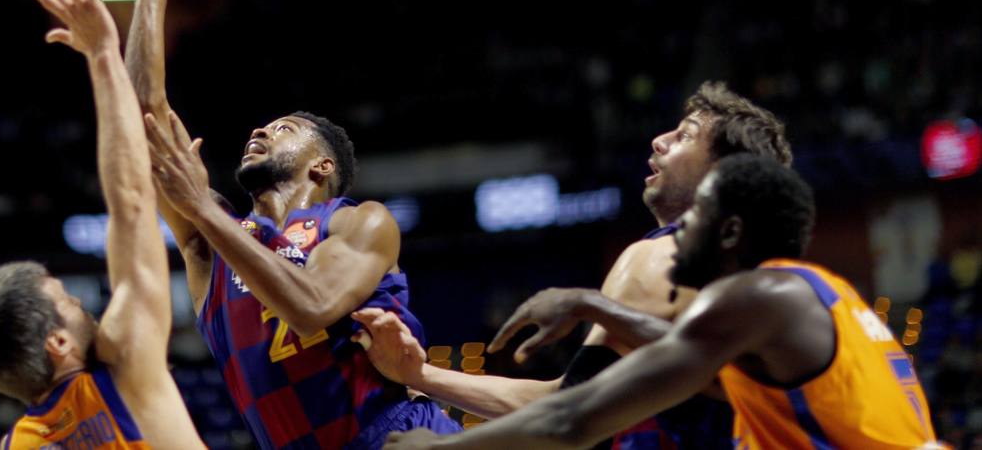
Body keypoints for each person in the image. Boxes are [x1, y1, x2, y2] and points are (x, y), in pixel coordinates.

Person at [120, 0, 462, 450]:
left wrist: (203, 211)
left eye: (285, 128)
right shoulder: (210, 249)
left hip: (399, 439)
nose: (261, 128)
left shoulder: (357, 221)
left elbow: (310, 308)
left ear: (322, 166)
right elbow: (140, 115)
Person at [381, 155, 940, 449]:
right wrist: (591, 304)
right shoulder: (820, 297)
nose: (674, 236)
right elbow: (685, 363)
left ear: (729, 233)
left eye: (692, 220)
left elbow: (574, 420)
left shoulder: (755, 297)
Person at [354, 83, 792, 448]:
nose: (659, 140)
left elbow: (569, 417)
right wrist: (422, 375)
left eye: (685, 136)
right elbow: (575, 397)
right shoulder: (762, 283)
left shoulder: (658, 256)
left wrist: (440, 446)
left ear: (723, 174)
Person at [0, 0, 205, 449]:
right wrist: (102, 53)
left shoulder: (18, 445)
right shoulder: (121, 370)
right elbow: (132, 203)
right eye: (68, 304)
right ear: (59, 344)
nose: (86, 309)